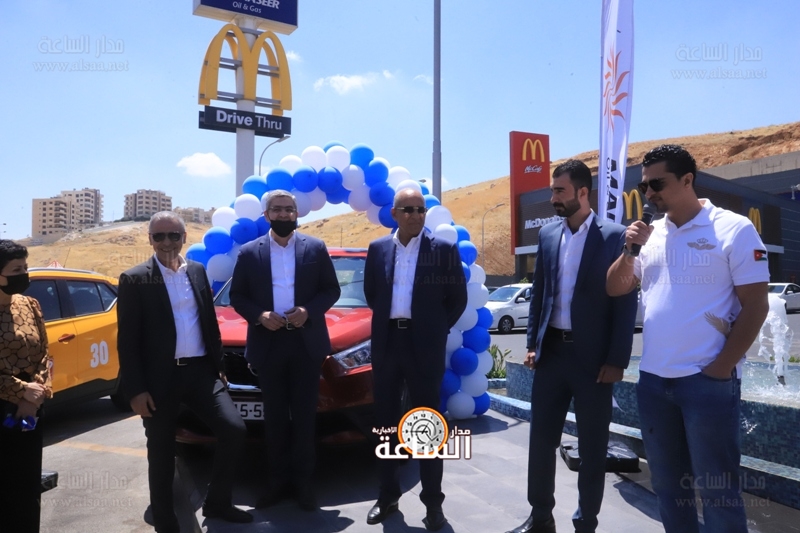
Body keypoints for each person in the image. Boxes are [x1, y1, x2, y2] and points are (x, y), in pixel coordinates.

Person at [606, 145, 769, 533]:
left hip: (706, 383)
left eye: (657, 184)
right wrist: (629, 251)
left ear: (687, 180)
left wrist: (720, 368)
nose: (649, 193)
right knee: (667, 488)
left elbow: (757, 306)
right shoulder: (650, 235)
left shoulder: (733, 229)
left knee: (718, 492)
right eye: (644, 187)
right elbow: (615, 288)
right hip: (654, 382)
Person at [505, 160, 638, 533]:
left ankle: (586, 523)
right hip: (552, 355)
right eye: (552, 191)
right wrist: (532, 343)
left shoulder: (614, 236)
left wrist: (617, 359)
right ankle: (540, 517)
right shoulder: (548, 235)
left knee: (593, 447)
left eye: (559, 191)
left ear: (582, 192)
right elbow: (539, 294)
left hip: (593, 361)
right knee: (540, 441)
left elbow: (625, 302)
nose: (553, 198)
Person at [117, 211, 251, 532]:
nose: (167, 242)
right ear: (150, 240)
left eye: (173, 235)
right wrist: (135, 390)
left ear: (184, 238)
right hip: (158, 380)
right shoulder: (135, 279)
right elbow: (127, 340)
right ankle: (166, 522)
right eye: (159, 236)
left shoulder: (197, 271)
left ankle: (217, 503)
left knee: (233, 429)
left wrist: (218, 367)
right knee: (161, 451)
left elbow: (209, 323)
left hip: (201, 373)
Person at [363, 188, 468, 531]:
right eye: (408, 209)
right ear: (394, 214)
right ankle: (387, 496)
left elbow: (457, 299)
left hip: (424, 347)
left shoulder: (444, 250)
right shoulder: (378, 249)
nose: (415, 215)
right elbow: (372, 294)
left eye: (420, 209)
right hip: (388, 343)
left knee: (426, 424)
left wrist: (433, 329)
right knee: (386, 423)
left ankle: (433, 504)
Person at [229, 190, 340, 511]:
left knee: (305, 418)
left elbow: (331, 290)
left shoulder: (315, 248)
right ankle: (277, 484)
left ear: (297, 214)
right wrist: (260, 316)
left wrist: (308, 310)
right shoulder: (249, 253)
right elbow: (237, 296)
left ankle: (304, 486)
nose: (283, 214)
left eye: (289, 209)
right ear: (266, 215)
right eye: (277, 209)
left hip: (306, 344)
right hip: (269, 344)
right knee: (275, 420)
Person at [0, 240, 52, 533]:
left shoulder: (29, 304)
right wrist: (20, 392)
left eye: (25, 267)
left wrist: (36, 393)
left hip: (30, 411)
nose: (24, 274)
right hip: (5, 405)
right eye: (16, 269)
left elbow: (45, 353)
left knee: (26, 485)